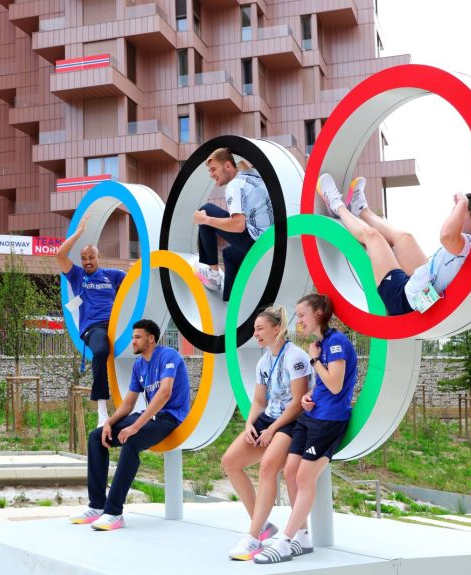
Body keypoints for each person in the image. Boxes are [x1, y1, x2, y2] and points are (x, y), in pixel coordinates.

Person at [254, 294, 357, 564]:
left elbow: (336, 384)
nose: (298, 320)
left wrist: (314, 361)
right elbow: (324, 386)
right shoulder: (320, 344)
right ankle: (303, 537)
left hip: (329, 421)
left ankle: (284, 542)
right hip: (310, 415)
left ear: (318, 314)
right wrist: (308, 396)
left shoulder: (335, 343)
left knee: (303, 478)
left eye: (302, 315)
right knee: (290, 472)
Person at [69, 319, 190, 531]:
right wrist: (109, 422)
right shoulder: (139, 365)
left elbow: (165, 393)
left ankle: (114, 512)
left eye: (137, 337)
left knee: (132, 442)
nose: (133, 341)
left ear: (151, 339)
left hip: (170, 418)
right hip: (150, 416)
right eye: (133, 337)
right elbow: (128, 403)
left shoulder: (168, 356)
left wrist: (135, 427)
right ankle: (97, 506)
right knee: (97, 437)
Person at [316, 173, 471, 316]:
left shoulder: (467, 245)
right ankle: (360, 209)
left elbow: (446, 235)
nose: (453, 215)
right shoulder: (470, 246)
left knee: (373, 237)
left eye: (459, 212)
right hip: (422, 287)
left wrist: (462, 202)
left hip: (404, 299)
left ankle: (337, 206)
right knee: (405, 237)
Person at [222, 306, 310, 560]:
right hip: (269, 418)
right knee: (230, 461)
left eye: (260, 328)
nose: (255, 334)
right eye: (254, 329)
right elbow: (260, 401)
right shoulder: (263, 361)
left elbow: (297, 402)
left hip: (292, 420)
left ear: (277, 328)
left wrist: (272, 429)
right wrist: (249, 424)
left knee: (268, 467)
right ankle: (261, 526)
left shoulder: (296, 356)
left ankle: (252, 539)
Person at [57, 213, 126, 427]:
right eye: (84, 258)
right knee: (101, 351)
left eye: (91, 257)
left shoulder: (111, 275)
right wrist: (79, 232)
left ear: (98, 257)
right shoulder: (77, 276)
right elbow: (60, 254)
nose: (87, 262)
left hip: (115, 325)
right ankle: (102, 410)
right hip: (93, 328)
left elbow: (135, 282)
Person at [193, 147, 274, 300]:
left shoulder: (234, 185)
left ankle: (213, 274)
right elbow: (243, 163)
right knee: (229, 254)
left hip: (254, 241)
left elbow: (238, 225)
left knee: (206, 210)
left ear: (228, 165)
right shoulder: (252, 175)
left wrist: (205, 220)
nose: (211, 175)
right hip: (268, 242)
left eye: (213, 169)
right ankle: (230, 303)